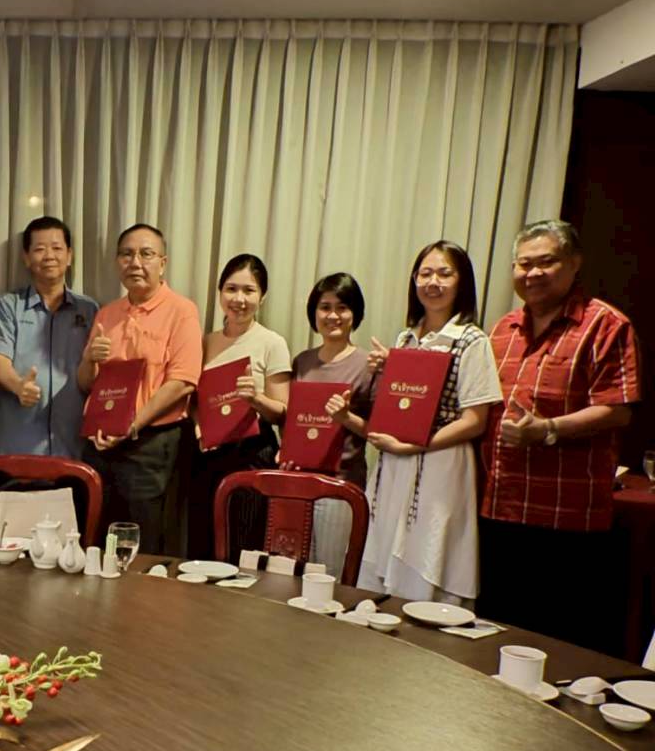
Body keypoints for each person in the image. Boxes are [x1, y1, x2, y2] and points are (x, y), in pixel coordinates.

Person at [479, 219, 641, 650]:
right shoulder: (502, 329)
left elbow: (618, 409)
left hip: (565, 518)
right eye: (523, 264)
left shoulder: (606, 324)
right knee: (497, 635)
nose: (532, 273)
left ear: (574, 264)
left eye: (545, 262)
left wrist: (547, 429)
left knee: (556, 644)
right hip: (499, 508)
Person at [351, 241, 501, 603]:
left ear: (462, 282)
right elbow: (401, 404)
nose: (433, 282)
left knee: (428, 551)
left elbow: (475, 420)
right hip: (396, 461)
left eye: (444, 273)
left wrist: (416, 445)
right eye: (425, 273)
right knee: (384, 550)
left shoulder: (472, 340)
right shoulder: (406, 337)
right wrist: (385, 371)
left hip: (440, 461)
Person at [79, 223, 202, 553]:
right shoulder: (107, 313)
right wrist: (89, 359)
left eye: (146, 254)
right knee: (98, 538)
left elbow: (183, 382)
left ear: (163, 263)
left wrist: (131, 425)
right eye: (126, 254)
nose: (135, 262)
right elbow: (86, 383)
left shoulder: (181, 311)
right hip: (101, 443)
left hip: (151, 444)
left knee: (144, 541)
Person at [186, 253, 290, 560]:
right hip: (207, 454)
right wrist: (199, 427)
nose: (239, 299)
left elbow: (283, 411)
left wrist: (256, 398)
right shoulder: (205, 341)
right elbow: (194, 400)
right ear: (220, 292)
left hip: (251, 454)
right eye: (231, 289)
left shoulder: (272, 342)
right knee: (202, 546)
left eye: (249, 290)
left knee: (242, 549)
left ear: (262, 296)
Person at [0, 216, 98, 458]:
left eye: (57, 248)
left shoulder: (89, 309)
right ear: (26, 258)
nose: (49, 256)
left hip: (74, 444)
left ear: (69, 256)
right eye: (39, 249)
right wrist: (18, 386)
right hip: (19, 443)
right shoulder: (9, 305)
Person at [289, 273, 374, 574]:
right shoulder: (302, 361)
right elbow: (294, 421)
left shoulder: (368, 365)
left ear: (355, 313)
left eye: (342, 307)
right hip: (298, 484)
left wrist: (345, 418)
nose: (333, 316)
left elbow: (378, 433)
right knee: (291, 572)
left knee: (329, 575)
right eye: (325, 307)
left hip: (341, 485)